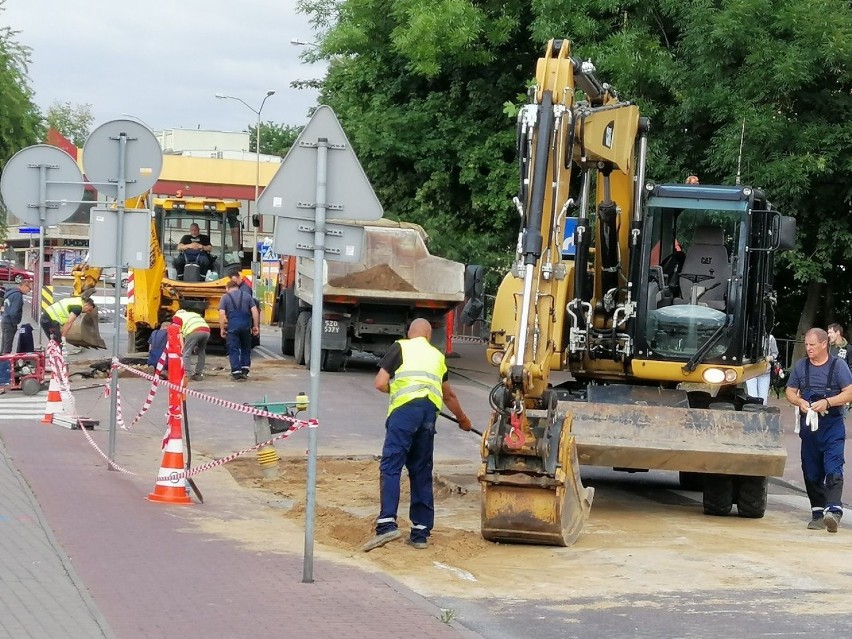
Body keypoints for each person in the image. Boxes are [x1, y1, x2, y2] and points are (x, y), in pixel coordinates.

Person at [362, 318, 473, 552]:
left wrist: (397, 389)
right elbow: (449, 395)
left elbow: (380, 382)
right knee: (421, 470)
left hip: (404, 413)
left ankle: (386, 524)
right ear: (429, 336)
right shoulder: (437, 356)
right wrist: (463, 419)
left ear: (410, 333)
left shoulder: (400, 347)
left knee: (391, 465)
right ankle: (421, 532)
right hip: (428, 415)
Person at [785, 328, 852, 533]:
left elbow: (849, 392)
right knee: (811, 470)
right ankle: (817, 513)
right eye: (806, 344)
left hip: (832, 426)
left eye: (812, 345)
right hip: (809, 428)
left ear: (824, 344)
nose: (808, 348)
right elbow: (789, 391)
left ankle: (833, 511)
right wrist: (799, 402)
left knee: (833, 467)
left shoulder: (838, 366)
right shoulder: (801, 366)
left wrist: (828, 402)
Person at [218, 280, 259, 381]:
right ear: (237, 287)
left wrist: (222, 328)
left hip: (233, 327)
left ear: (227, 288)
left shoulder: (225, 298)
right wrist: (255, 326)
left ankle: (236, 372)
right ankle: (245, 369)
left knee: (234, 349)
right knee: (246, 348)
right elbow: (255, 311)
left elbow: (222, 314)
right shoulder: (247, 296)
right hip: (246, 326)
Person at [172, 309, 210, 381]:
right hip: (206, 331)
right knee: (201, 352)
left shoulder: (177, 317)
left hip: (193, 331)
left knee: (186, 353)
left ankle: (186, 375)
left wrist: (182, 345)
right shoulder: (193, 314)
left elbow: (178, 331)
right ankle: (198, 374)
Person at [0, 277, 32, 355]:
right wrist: (15, 322)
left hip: (5, 320)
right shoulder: (18, 296)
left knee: (4, 344)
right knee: (7, 346)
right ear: (24, 286)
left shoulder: (10, 293)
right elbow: (14, 311)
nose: (29, 291)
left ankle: (2, 361)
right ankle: (5, 364)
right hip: (10, 322)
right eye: (29, 288)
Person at [746, 334, 778, 404]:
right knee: (752, 397)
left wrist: (770, 357)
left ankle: (761, 413)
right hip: (751, 370)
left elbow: (775, 353)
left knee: (763, 399)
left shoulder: (770, 338)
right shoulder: (747, 335)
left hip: (764, 371)